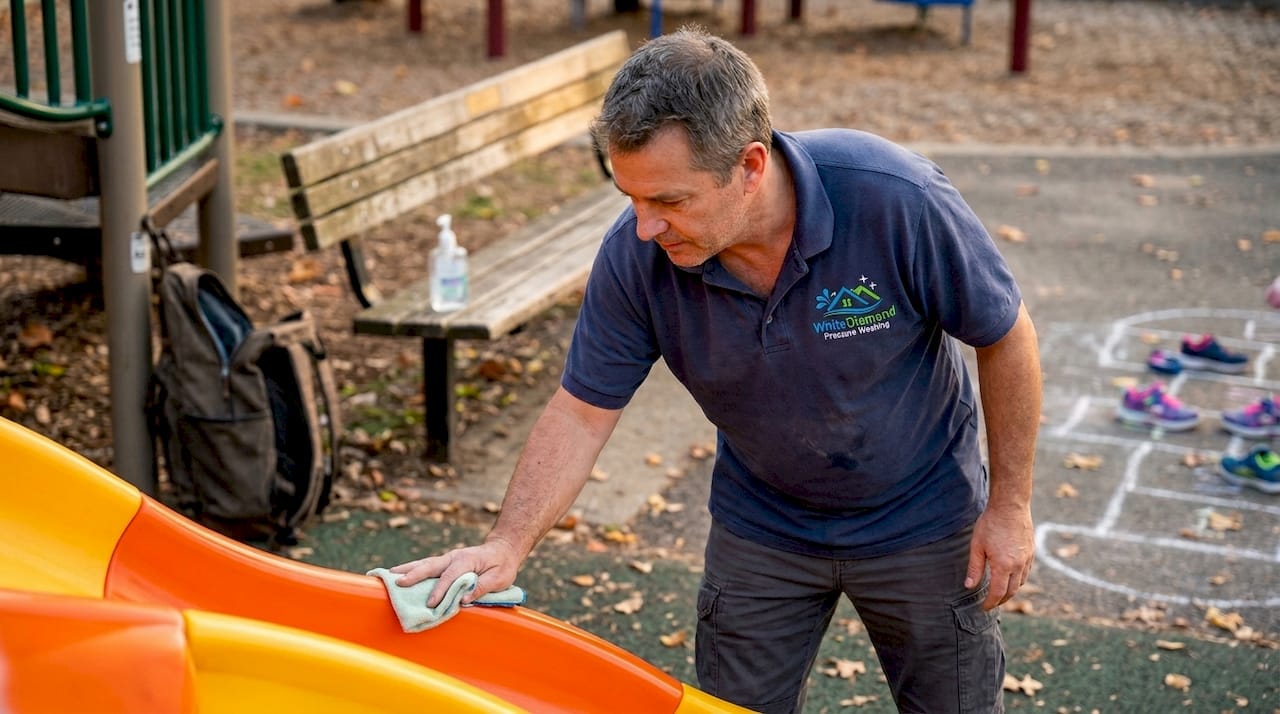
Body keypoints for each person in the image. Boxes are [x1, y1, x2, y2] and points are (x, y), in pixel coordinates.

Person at [390, 26, 1042, 713]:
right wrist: (507, 544)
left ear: (751, 167)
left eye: (670, 201)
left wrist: (1010, 506)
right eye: (630, 198)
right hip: (765, 524)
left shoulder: (894, 198)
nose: (645, 226)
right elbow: (582, 411)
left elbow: (1006, 337)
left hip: (922, 515)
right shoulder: (637, 255)